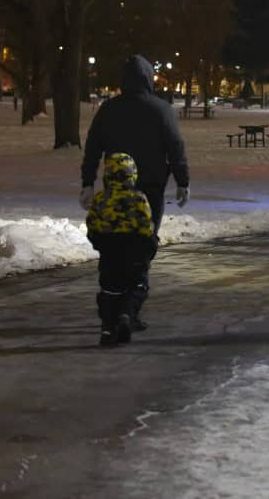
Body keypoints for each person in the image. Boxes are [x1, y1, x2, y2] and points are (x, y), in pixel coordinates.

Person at [80, 55, 189, 331]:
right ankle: (131, 305)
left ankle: (114, 303)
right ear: (148, 78)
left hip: (116, 188)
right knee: (143, 244)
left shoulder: (109, 109)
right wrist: (182, 180)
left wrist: (88, 182)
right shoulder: (161, 109)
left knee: (114, 245)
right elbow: (175, 147)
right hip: (151, 188)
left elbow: (93, 147)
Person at [84, 153, 157, 346]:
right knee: (137, 287)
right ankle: (127, 314)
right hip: (134, 251)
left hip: (109, 252)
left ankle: (108, 328)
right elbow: (146, 227)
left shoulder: (101, 199)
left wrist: (100, 243)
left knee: (109, 290)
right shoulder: (138, 198)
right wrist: (148, 249)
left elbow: (92, 225)